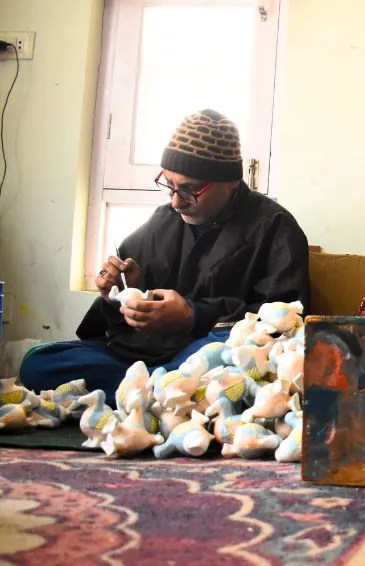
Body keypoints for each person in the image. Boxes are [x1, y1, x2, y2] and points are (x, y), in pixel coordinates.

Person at [19, 109, 310, 395]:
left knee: (225, 358)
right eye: (168, 184)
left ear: (232, 181)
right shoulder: (163, 221)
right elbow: (112, 327)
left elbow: (284, 326)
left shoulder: (274, 228)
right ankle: (162, 393)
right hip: (143, 358)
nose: (175, 202)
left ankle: (155, 392)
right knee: (37, 363)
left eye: (190, 189)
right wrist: (118, 296)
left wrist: (193, 316)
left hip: (204, 356)